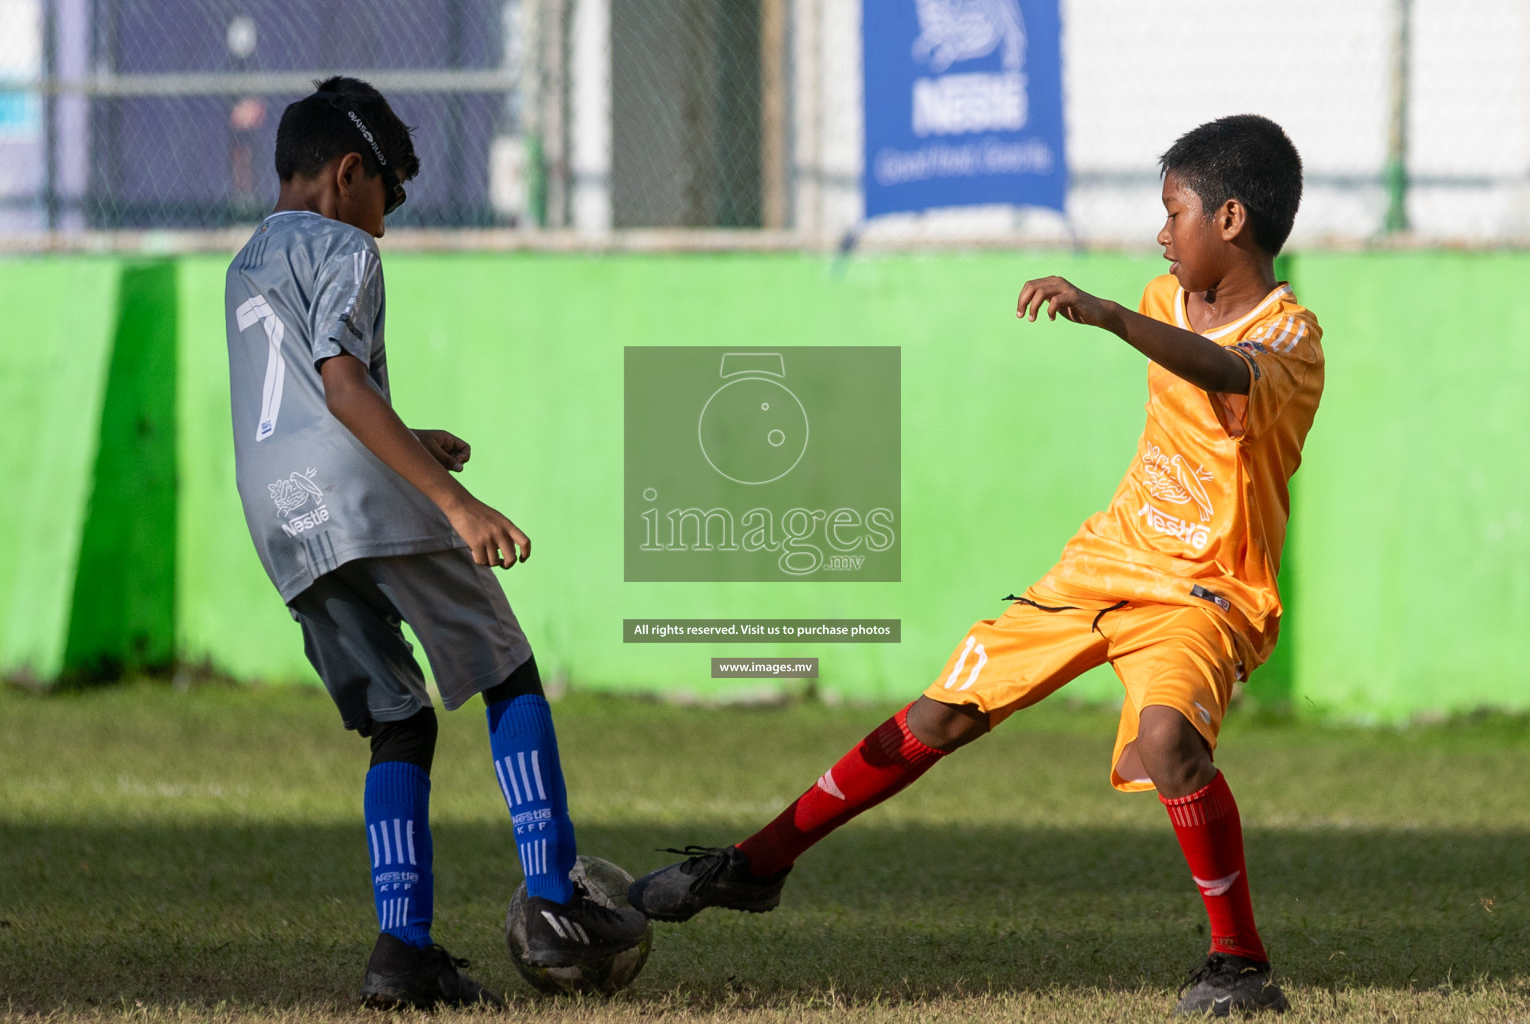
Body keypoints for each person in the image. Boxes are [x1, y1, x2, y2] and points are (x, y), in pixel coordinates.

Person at [630, 114, 1319, 1018]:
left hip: (1204, 591)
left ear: (1230, 220)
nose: (1161, 233)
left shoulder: (1292, 336)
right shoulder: (1163, 296)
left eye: (1173, 211)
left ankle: (1239, 964)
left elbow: (1231, 374)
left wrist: (1108, 316)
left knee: (1168, 742)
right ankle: (755, 865)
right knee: (939, 715)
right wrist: (1129, 311)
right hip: (1106, 562)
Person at [223, 76, 645, 1010]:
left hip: (281, 515)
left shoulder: (248, 259)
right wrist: (453, 502)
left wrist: (411, 442)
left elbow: (297, 401)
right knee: (506, 666)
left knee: (400, 719)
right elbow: (339, 383)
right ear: (347, 174)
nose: (389, 218)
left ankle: (401, 953)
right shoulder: (347, 248)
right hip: (359, 492)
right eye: (391, 193)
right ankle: (552, 897)